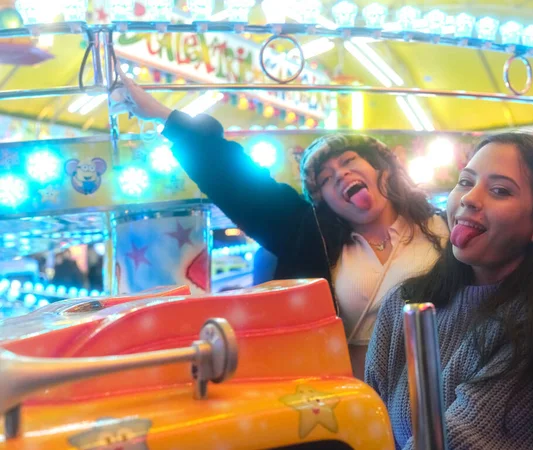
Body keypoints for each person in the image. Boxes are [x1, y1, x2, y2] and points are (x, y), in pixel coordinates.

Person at [112, 67, 448, 378]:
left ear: (380, 169)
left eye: (348, 161)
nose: (341, 173)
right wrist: (162, 115)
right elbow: (237, 179)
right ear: (324, 202)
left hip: (448, 390)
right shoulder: (310, 236)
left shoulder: (441, 228)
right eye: (327, 179)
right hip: (358, 400)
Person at [366, 133, 533, 449]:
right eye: (465, 182)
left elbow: (461, 441)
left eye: (500, 190)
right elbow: (370, 420)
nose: (469, 198)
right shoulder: (405, 301)